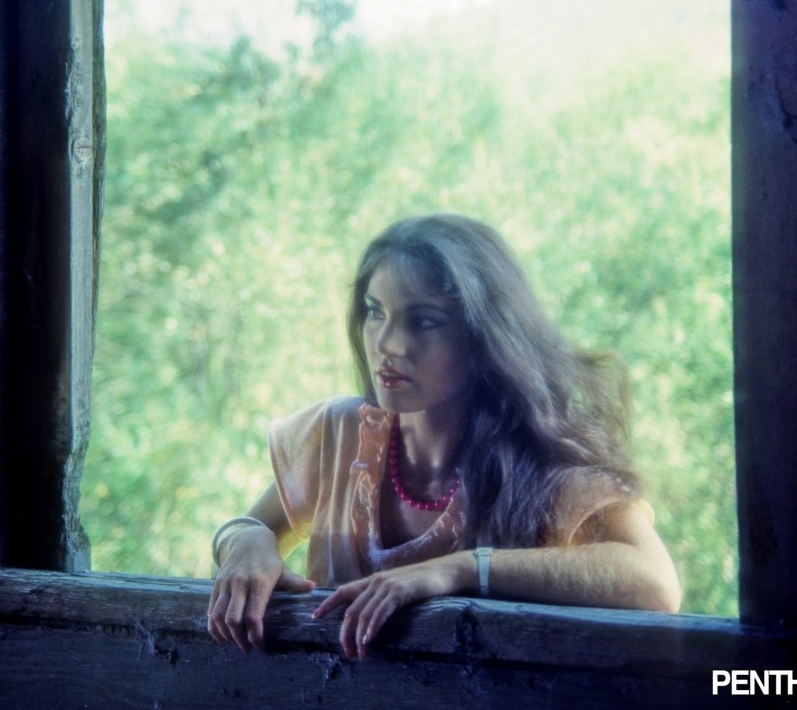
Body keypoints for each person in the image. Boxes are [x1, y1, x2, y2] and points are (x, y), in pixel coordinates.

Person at [207, 214, 680, 659]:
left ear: (484, 336)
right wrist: (246, 541)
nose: (387, 344)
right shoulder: (337, 434)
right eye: (375, 312)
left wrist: (458, 571)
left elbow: (656, 584)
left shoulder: (542, 463)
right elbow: (246, 528)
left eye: (423, 320)